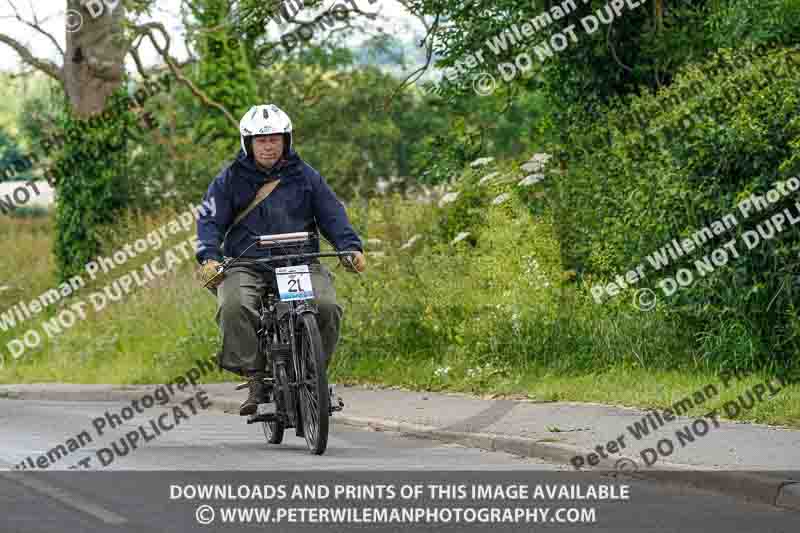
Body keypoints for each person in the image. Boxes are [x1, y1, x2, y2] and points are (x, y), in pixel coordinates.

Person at [195, 104, 365, 416]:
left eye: (275, 139)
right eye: (261, 140)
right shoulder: (228, 180)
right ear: (248, 144)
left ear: (286, 140)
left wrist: (350, 247)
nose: (269, 146)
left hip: (298, 261)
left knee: (325, 306)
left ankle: (316, 375)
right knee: (234, 306)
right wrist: (208, 256)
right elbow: (209, 223)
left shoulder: (306, 176)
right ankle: (255, 374)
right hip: (247, 263)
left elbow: (332, 215)